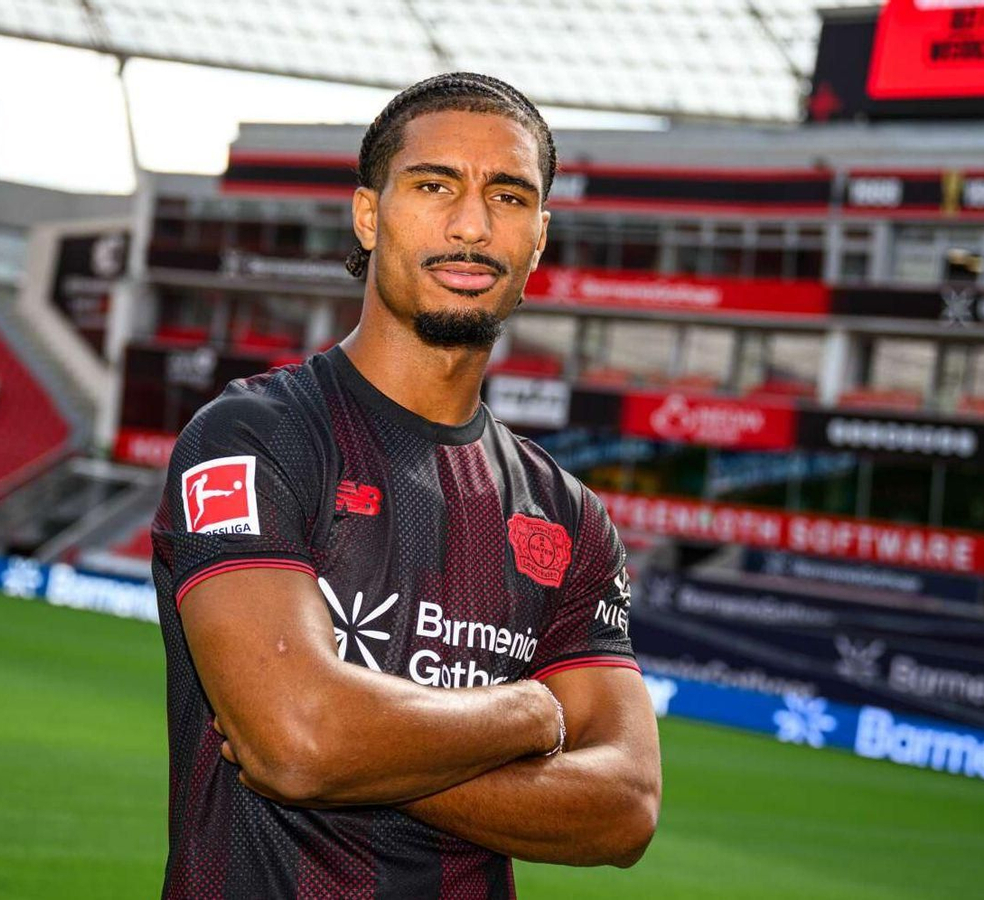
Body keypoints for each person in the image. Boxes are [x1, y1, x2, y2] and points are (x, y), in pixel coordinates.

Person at [150, 71, 662, 899]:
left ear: (538, 236)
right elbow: (297, 739)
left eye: (508, 196)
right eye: (434, 186)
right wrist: (526, 718)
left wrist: (353, 750)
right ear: (368, 213)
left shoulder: (568, 517)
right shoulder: (253, 438)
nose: (470, 225)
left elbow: (624, 808)